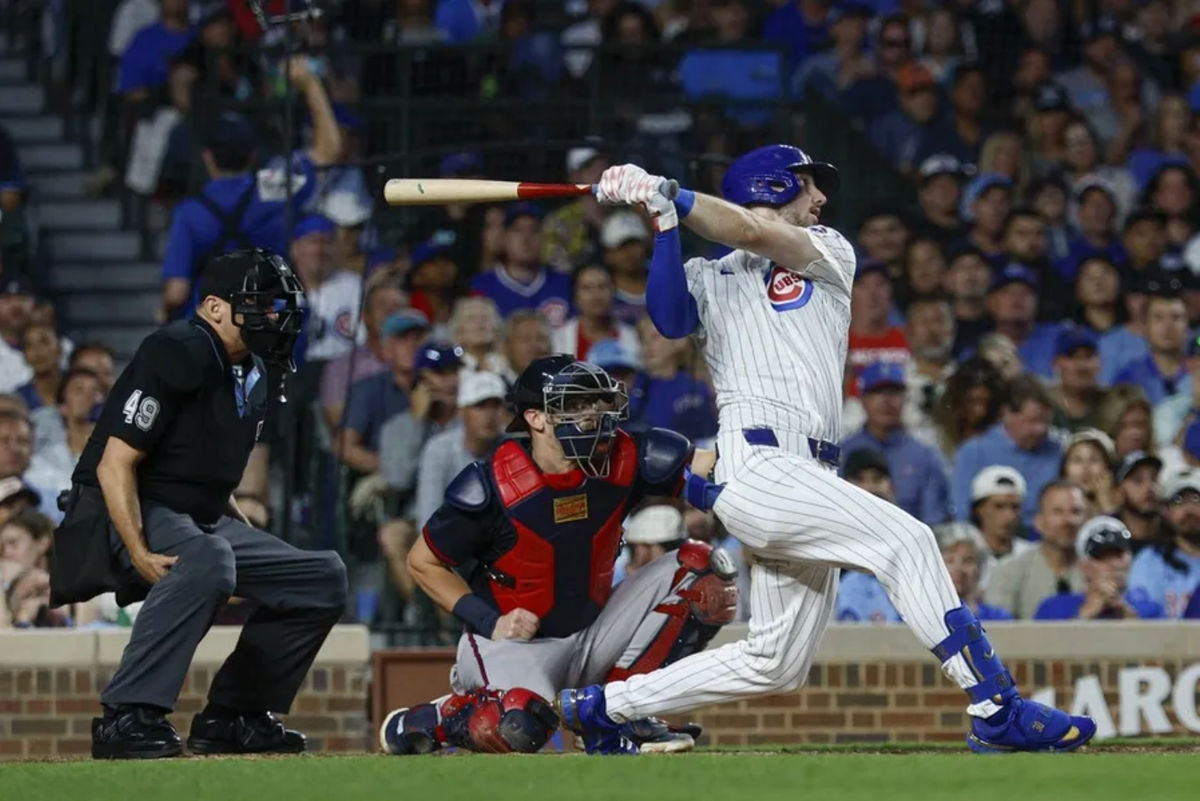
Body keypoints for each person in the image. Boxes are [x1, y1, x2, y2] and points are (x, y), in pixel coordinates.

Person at [555, 146, 1096, 755]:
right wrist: (662, 219)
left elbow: (754, 228)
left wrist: (670, 192)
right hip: (758, 464)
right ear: (772, 182)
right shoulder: (709, 275)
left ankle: (603, 707)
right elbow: (671, 319)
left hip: (806, 472)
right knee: (909, 541)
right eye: (809, 185)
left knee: (775, 662)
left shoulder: (829, 250)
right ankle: (996, 705)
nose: (821, 199)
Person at [50, 249, 347, 759]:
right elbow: (113, 464)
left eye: (277, 306)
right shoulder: (178, 349)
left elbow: (206, 470)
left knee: (321, 577)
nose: (273, 316)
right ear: (213, 308)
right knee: (210, 558)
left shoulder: (253, 371)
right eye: (259, 304)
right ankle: (126, 717)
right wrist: (139, 551)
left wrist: (246, 529)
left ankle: (233, 717)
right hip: (123, 509)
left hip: (197, 514)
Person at [379, 356, 736, 756]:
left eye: (597, 403)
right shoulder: (493, 485)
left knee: (705, 575)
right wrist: (490, 621)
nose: (593, 415)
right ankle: (437, 718)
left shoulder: (623, 455)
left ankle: (620, 714)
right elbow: (422, 561)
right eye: (576, 405)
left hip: (593, 628)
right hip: (514, 644)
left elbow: (709, 465)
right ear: (536, 418)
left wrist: (763, 444)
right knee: (517, 727)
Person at [158, 59, 341, 322]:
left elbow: (176, 291)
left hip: (215, 330)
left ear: (208, 158)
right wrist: (311, 85)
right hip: (270, 323)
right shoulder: (271, 187)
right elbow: (328, 152)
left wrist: (164, 313)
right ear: (253, 156)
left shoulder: (190, 211)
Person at [840, 362, 950, 525]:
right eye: (877, 391)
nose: (887, 400)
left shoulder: (925, 456)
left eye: (894, 392)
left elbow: (934, 520)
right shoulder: (842, 452)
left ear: (905, 397)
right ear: (862, 399)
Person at [952, 375, 1062, 526]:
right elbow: (961, 513)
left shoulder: (1058, 451)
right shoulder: (974, 452)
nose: (1041, 429)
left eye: (1046, 422)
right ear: (1007, 414)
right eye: (1033, 421)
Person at [337, 310, 428, 476]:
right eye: (402, 338)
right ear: (386, 349)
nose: (412, 345)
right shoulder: (368, 389)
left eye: (417, 338)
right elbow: (346, 448)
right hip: (381, 478)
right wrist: (395, 470)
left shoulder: (441, 385)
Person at [984, 481, 1086, 620]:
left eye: (1076, 512)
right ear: (1038, 522)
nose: (1068, 520)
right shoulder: (1007, 572)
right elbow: (996, 633)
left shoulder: (1097, 570)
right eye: (1058, 512)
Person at [1033, 516, 1164, 620]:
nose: (1114, 565)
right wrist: (1085, 614)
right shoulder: (1053, 608)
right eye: (1102, 557)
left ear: (1130, 560)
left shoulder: (1151, 610)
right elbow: (1043, 651)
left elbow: (1164, 650)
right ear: (1084, 567)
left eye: (1119, 555)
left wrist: (1125, 614)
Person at [470, 203, 571, 327]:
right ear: (504, 237)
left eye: (534, 230)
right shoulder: (482, 286)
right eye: (517, 230)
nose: (526, 238)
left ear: (543, 237)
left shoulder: (564, 283)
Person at [835, 448, 901, 623]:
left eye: (877, 479)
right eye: (860, 479)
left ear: (892, 487)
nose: (869, 487)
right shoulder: (829, 533)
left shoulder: (905, 536)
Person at [1127, 467, 1200, 618]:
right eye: (1178, 501)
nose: (1189, 509)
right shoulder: (1149, 561)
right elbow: (1142, 619)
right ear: (1166, 511)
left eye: (1196, 499)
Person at [1112, 290, 1190, 407]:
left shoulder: (1196, 374)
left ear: (1187, 327)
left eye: (1176, 317)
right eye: (1158, 318)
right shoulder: (1128, 378)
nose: (1168, 326)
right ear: (1145, 328)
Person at [551, 263, 639, 360]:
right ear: (575, 296)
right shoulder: (558, 340)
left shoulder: (633, 339)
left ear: (613, 292)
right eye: (587, 288)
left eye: (602, 287)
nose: (596, 295)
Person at [934, 523, 1013, 621]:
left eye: (968, 561)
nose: (958, 568)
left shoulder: (999, 618)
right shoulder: (923, 619)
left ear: (980, 568)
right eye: (950, 561)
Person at [967, 466, 1034, 576]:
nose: (1009, 516)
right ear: (979, 510)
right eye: (999, 506)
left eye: (1015, 507)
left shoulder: (1030, 555)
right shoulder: (965, 555)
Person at [599, 211, 650, 326]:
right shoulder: (600, 291)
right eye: (622, 246)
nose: (630, 253)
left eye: (635, 244)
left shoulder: (665, 282)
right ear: (608, 254)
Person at [1049, 324, 1104, 432]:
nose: (1082, 366)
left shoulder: (1113, 406)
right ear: (1056, 363)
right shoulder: (1044, 406)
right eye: (1073, 357)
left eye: (1088, 356)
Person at [1111, 450, 1163, 553]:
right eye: (1138, 480)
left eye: (1154, 479)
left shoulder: (1172, 533)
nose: (1149, 487)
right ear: (1119, 491)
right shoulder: (1107, 532)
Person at [1059, 429, 1116, 521]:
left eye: (1094, 459)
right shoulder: (1051, 508)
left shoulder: (1125, 508)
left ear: (1108, 469)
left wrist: (1105, 502)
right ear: (1064, 469)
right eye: (1077, 460)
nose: (1085, 467)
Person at [14, 321, 63, 411]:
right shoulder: (18, 399)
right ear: (25, 356)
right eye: (29, 345)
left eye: (44, 342)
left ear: (60, 349)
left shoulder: (79, 391)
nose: (37, 352)